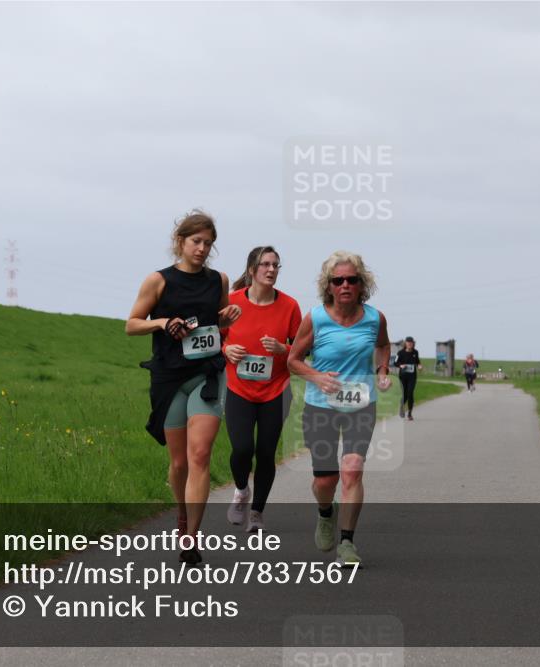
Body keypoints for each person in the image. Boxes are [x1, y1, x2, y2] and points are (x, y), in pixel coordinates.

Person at [126, 210, 241, 565]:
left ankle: (191, 537)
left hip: (207, 374)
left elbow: (220, 321)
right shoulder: (158, 281)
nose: (203, 248)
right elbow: (131, 324)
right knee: (178, 464)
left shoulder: (218, 280)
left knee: (200, 455)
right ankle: (181, 512)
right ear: (181, 241)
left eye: (208, 243)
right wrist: (162, 322)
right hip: (168, 376)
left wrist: (226, 319)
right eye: (197, 241)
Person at [288, 251, 392, 567]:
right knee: (325, 480)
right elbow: (292, 360)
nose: (345, 285)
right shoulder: (316, 318)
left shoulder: (375, 318)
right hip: (321, 406)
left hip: (362, 403)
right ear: (329, 286)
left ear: (362, 284)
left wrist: (383, 370)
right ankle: (325, 512)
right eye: (338, 280)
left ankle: (347, 542)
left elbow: (384, 345)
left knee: (352, 469)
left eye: (352, 279)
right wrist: (317, 376)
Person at [222, 246, 302, 532]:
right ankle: (242, 490)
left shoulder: (290, 306)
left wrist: (283, 348)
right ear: (252, 269)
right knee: (242, 448)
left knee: (266, 453)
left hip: (276, 390)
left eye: (276, 265)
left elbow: (301, 351)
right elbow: (214, 338)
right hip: (239, 389)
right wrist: (226, 349)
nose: (271, 270)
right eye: (265, 264)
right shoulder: (231, 302)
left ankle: (256, 514)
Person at [394, 336, 423, 420]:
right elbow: (395, 363)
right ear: (405, 343)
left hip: (412, 377)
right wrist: (401, 365)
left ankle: (410, 413)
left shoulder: (415, 352)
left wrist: (419, 366)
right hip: (403, 376)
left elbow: (417, 362)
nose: (410, 344)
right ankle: (401, 407)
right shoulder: (400, 353)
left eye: (411, 342)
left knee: (410, 393)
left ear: (413, 343)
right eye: (408, 342)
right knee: (404, 394)